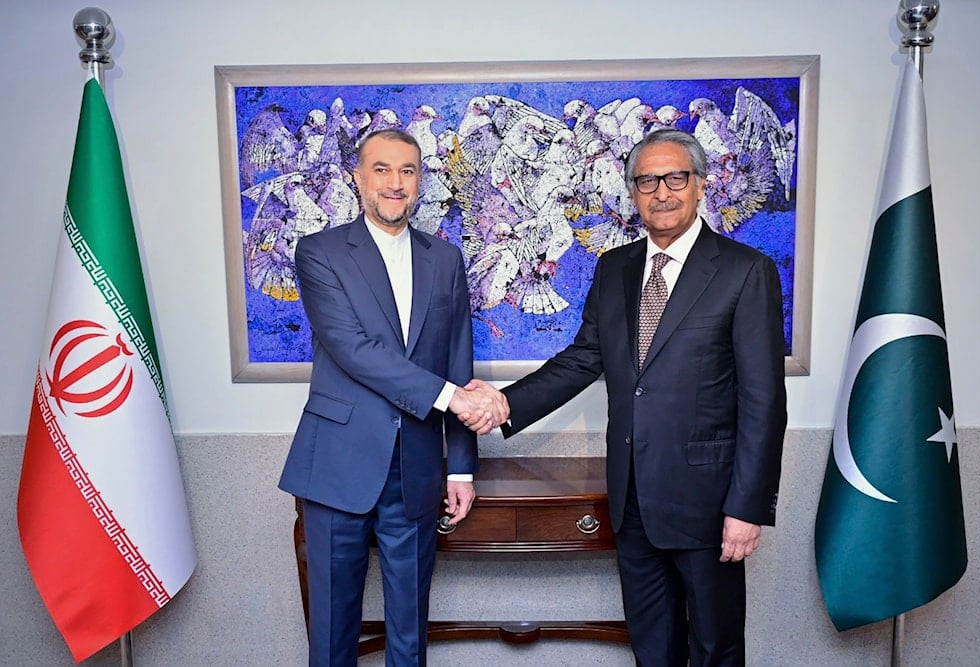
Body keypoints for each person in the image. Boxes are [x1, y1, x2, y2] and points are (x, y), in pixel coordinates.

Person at [477, 128, 787, 665]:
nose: (661, 192)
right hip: (631, 499)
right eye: (646, 181)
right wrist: (506, 404)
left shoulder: (745, 271)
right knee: (651, 646)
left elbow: (764, 402)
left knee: (715, 646)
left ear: (700, 185)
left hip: (709, 503)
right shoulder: (614, 267)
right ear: (632, 192)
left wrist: (747, 507)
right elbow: (583, 358)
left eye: (675, 178)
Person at [279, 128, 504, 666]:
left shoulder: (445, 259)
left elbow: (457, 357)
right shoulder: (319, 253)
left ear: (419, 180)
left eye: (406, 170)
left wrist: (461, 469)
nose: (394, 183)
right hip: (338, 465)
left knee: (410, 633)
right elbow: (354, 351)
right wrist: (455, 399)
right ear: (358, 178)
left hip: (419, 466)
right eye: (381, 169)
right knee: (333, 635)